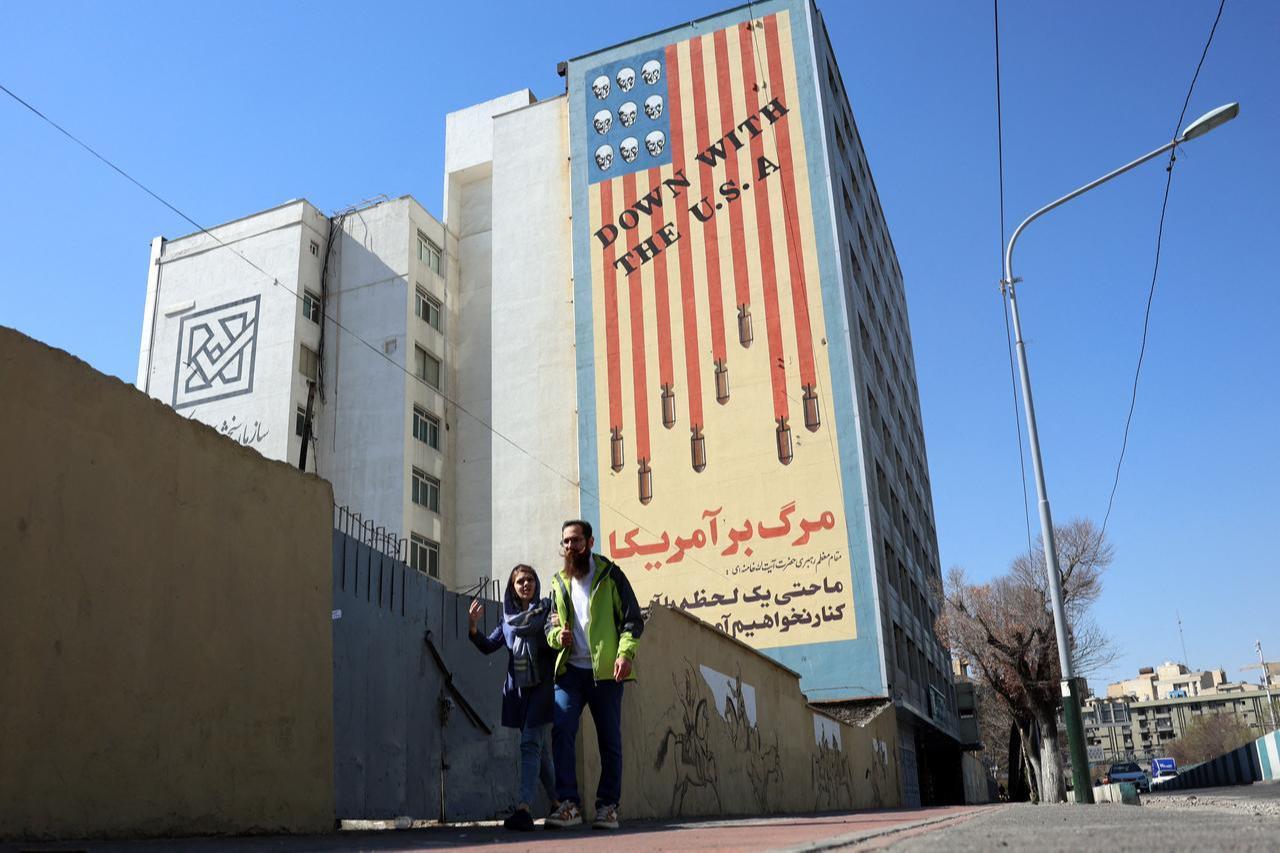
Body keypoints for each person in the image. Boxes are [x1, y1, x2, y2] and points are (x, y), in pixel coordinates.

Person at [543, 519, 644, 831]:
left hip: (605, 673)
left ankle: (608, 807)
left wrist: (625, 654)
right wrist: (556, 636)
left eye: (576, 540)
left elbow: (632, 619)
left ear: (589, 541)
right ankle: (568, 804)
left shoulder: (611, 575)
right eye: (566, 542)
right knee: (562, 731)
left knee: (609, 741)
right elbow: (550, 624)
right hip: (571, 672)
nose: (570, 547)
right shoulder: (559, 582)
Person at [467, 563, 557, 831]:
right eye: (520, 581)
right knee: (541, 754)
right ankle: (557, 804)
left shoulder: (547, 613)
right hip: (518, 693)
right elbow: (487, 646)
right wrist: (473, 627)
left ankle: (524, 808)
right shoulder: (507, 620)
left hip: (542, 687)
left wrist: (558, 629)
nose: (526, 584)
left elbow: (555, 647)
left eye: (530, 579)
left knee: (530, 745)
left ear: (536, 583)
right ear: (513, 588)